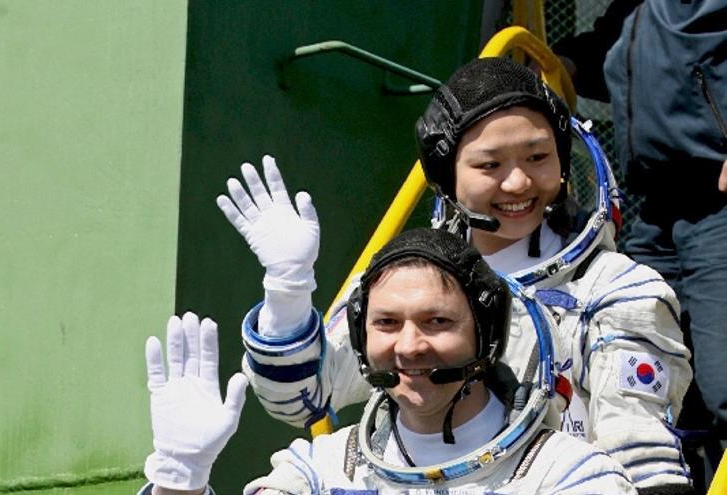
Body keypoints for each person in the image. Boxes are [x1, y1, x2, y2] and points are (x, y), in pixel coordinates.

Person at [217, 57, 693, 493]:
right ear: (447, 176)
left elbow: (639, 462)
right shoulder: (406, 281)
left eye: (537, 157)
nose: (518, 183)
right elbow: (300, 399)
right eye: (489, 165)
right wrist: (288, 291)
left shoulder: (613, 292)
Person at [139, 229, 637, 494]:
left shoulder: (567, 475)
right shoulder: (322, 470)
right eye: (386, 324)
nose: (410, 346)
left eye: (438, 322)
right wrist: (180, 482)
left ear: (485, 335)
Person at [553, 0, 727, 486]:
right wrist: (563, 64)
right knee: (646, 370)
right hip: (654, 210)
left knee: (725, 382)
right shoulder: (637, 7)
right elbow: (618, 54)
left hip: (717, 197)